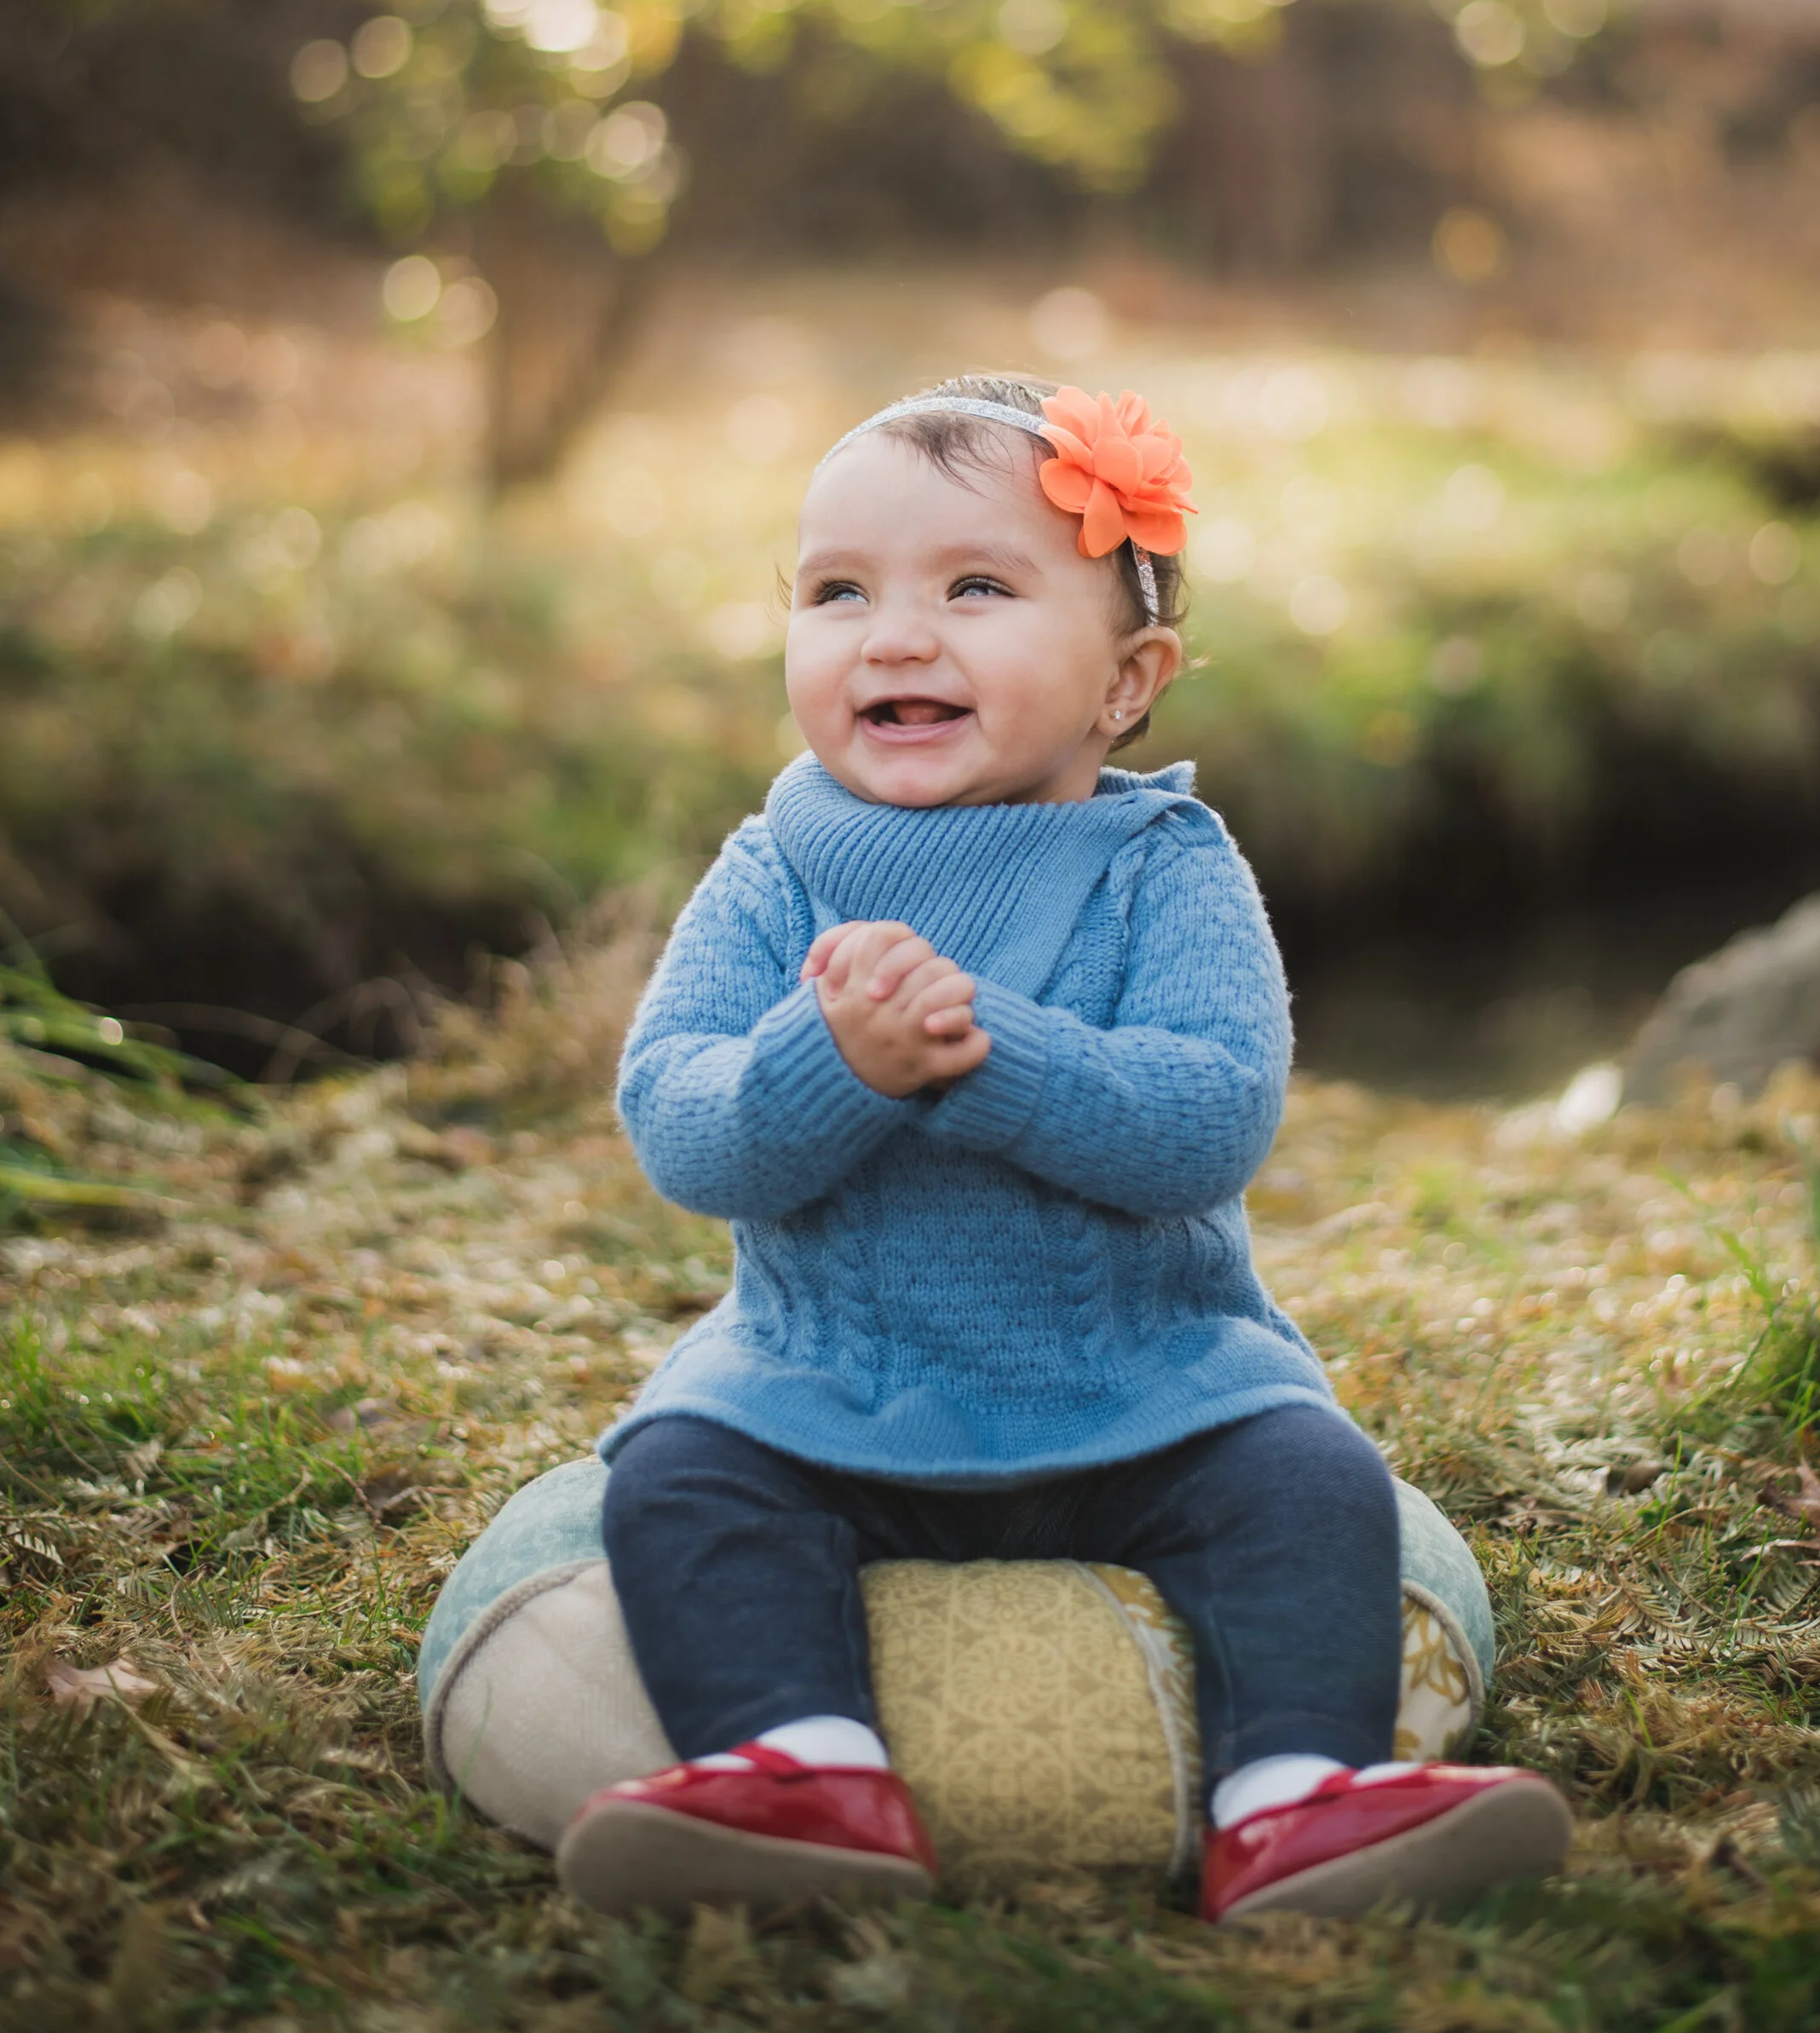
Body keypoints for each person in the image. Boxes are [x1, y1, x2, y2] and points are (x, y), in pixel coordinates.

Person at [557, 373, 1572, 1925]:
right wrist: (829, 1063)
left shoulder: (1166, 868)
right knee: (682, 1480)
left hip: (1144, 1385)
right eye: (840, 592)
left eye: (975, 586)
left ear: (1125, 679)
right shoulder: (777, 869)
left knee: (1310, 1481)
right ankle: (801, 1773)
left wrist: (981, 1053)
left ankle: (1296, 1797)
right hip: (830, 1384)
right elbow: (683, 1125)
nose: (896, 634)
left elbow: (1206, 1119)